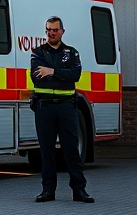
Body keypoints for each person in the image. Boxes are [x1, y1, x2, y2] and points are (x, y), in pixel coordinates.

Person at [30, 16, 94, 203]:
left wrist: (51, 71)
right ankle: (48, 190)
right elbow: (37, 78)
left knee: (71, 150)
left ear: (62, 31)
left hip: (67, 107)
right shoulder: (38, 53)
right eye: (48, 29)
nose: (52, 32)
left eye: (55, 29)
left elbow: (75, 75)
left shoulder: (71, 53)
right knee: (46, 150)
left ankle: (79, 190)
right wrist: (61, 73)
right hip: (45, 107)